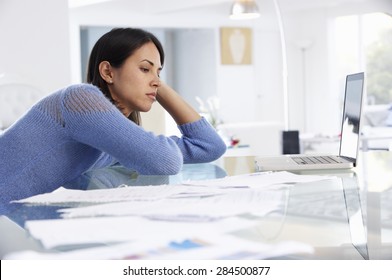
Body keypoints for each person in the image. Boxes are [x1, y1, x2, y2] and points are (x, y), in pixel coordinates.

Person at [0, 27, 226, 213]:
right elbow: (166, 161)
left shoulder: (110, 141)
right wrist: (155, 83)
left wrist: (157, 84)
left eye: (159, 72)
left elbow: (210, 146)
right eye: (145, 68)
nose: (156, 81)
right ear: (108, 72)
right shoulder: (79, 99)